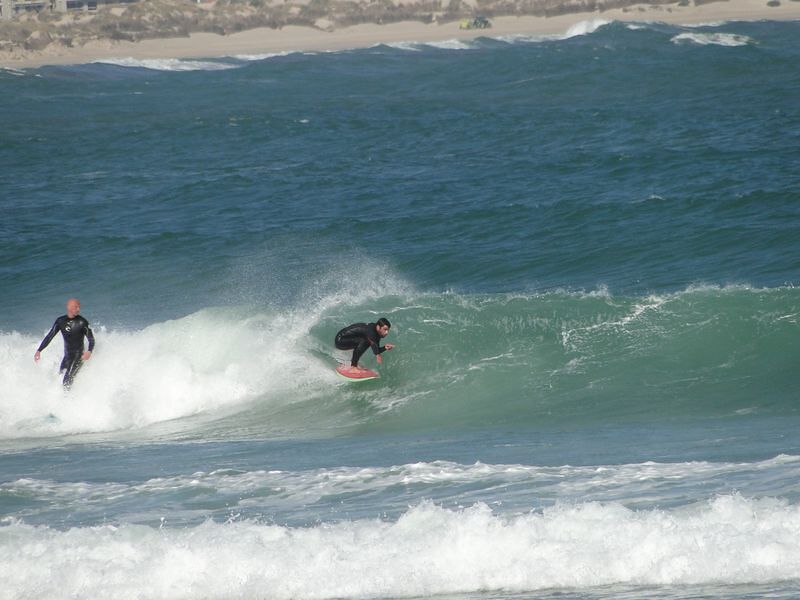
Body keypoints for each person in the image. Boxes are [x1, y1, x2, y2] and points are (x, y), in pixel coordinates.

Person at [34, 298, 95, 388]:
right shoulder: (60, 321)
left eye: (79, 307)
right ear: (69, 307)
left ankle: (68, 397)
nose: (78, 309)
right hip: (67, 356)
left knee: (67, 380)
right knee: (60, 376)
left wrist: (89, 351)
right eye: (76, 307)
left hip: (78, 356)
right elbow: (50, 336)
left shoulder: (82, 322)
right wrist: (39, 350)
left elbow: (91, 339)